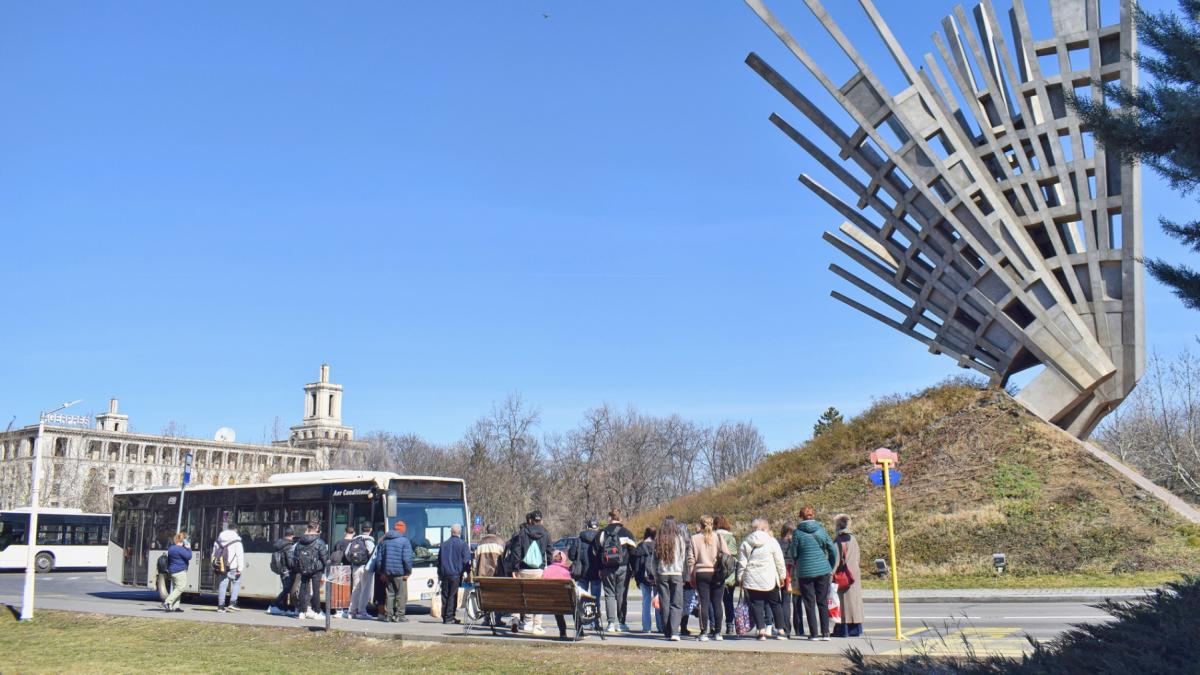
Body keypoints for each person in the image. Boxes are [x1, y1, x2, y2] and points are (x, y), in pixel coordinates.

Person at [789, 506, 838, 641]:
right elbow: (832, 549)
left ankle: (814, 633)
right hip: (823, 570)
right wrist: (830, 565)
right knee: (822, 601)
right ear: (813, 515)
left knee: (809, 602)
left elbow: (793, 552)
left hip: (805, 571)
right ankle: (826, 633)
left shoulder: (797, 533)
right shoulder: (821, 530)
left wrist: (798, 559)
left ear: (801, 516)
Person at [738, 517, 787, 641]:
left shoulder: (746, 542)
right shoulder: (772, 541)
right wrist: (782, 576)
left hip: (752, 578)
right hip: (770, 578)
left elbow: (742, 563)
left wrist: (740, 578)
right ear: (764, 528)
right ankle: (780, 630)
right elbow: (779, 561)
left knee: (757, 604)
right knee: (775, 603)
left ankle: (761, 631)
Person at [506, 510, 552, 635]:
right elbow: (549, 552)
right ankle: (537, 625)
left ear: (530, 520)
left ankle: (527, 622)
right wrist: (548, 567)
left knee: (523, 595)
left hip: (523, 569)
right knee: (537, 596)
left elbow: (516, 552)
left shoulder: (522, 533)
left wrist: (514, 569)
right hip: (539, 570)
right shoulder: (546, 533)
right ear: (541, 520)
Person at [685, 515, 730, 641]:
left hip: (701, 573)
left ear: (700, 524)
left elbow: (690, 559)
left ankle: (703, 632)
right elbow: (728, 554)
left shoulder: (694, 538)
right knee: (717, 603)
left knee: (703, 603)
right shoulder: (719, 537)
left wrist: (691, 574)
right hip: (716, 573)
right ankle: (718, 633)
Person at [598, 509, 636, 633]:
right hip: (623, 567)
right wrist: (633, 569)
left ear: (610, 518)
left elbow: (596, 551)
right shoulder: (627, 533)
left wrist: (600, 568)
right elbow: (633, 553)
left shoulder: (603, 533)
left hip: (607, 568)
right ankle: (622, 623)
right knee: (621, 595)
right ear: (620, 518)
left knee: (609, 594)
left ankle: (610, 624)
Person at [652, 516, 687, 641]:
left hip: (662, 574)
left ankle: (667, 631)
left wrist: (655, 575)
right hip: (676, 573)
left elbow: (654, 560)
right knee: (676, 604)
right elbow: (683, 557)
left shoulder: (659, 539)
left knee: (664, 603)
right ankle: (674, 632)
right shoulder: (680, 539)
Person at [831, 514, 864, 637]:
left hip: (843, 575)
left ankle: (843, 630)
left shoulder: (839, 540)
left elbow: (835, 560)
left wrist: (830, 574)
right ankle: (856, 629)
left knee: (843, 603)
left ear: (839, 525)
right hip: (854, 573)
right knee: (855, 603)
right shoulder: (853, 539)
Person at [377, 520, 414, 622]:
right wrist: (408, 572)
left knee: (390, 594)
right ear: (402, 530)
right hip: (400, 573)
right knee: (401, 595)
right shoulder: (404, 541)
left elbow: (379, 559)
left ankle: (388, 616)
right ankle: (400, 616)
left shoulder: (384, 541)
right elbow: (407, 559)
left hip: (387, 573)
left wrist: (382, 572)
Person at [294, 519, 330, 620]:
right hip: (316, 569)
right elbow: (324, 557)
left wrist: (299, 568)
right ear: (317, 528)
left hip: (303, 569)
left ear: (308, 528)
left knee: (303, 589)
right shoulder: (319, 542)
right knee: (315, 590)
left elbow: (295, 556)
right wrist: (327, 566)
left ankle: (302, 612)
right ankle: (317, 611)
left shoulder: (300, 541)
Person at [472, 523, 506, 627]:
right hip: (496, 575)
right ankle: (497, 619)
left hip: (482, 576)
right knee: (497, 597)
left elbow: (474, 561)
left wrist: (474, 573)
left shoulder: (480, 543)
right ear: (495, 532)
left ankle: (486, 619)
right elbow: (504, 560)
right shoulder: (500, 542)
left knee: (485, 598)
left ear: (487, 531)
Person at [437, 523, 471, 624]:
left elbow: (439, 561)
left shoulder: (444, 544)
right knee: (452, 595)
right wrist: (468, 573)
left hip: (445, 574)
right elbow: (466, 561)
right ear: (459, 532)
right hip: (456, 574)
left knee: (445, 595)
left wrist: (439, 574)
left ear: (451, 532)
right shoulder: (462, 544)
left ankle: (445, 616)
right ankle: (449, 617)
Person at [630, 526, 661, 634]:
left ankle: (647, 627)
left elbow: (636, 565)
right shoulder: (658, 546)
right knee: (658, 601)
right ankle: (660, 626)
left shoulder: (640, 546)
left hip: (644, 577)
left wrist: (638, 580)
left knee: (646, 602)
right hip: (657, 577)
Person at [539, 549, 574, 640]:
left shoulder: (547, 570)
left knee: (557, 606)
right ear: (564, 559)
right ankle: (579, 631)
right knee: (576, 606)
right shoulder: (566, 572)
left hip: (550, 602)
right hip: (565, 602)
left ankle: (562, 631)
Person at [211, 522, 244, 613]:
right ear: (236, 530)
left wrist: (214, 564)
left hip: (221, 565)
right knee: (236, 582)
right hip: (233, 566)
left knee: (222, 584)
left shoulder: (219, 539)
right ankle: (233, 603)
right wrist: (240, 569)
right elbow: (240, 556)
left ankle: (220, 606)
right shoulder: (237, 541)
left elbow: (214, 553)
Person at [346, 523, 376, 619]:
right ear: (370, 529)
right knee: (365, 589)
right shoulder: (369, 540)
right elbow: (373, 553)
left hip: (355, 567)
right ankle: (362, 611)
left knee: (356, 589)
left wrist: (353, 562)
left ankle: (351, 611)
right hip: (366, 567)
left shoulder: (354, 540)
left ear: (361, 529)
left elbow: (347, 553)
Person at [714, 516, 738, 635]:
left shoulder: (712, 536)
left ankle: (714, 625)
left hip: (715, 573)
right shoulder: (731, 538)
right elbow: (734, 555)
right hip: (729, 575)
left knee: (715, 601)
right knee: (728, 601)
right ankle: (730, 625)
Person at [570, 519, 603, 604]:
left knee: (582, 598)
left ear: (587, 527)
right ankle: (595, 616)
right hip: (597, 572)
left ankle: (583, 615)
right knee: (595, 599)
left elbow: (571, 556)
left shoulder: (579, 539)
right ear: (598, 528)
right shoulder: (601, 539)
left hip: (582, 572)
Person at [267, 526, 297, 616]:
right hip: (287, 570)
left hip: (281, 570)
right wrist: (294, 566)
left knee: (285, 589)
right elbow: (289, 560)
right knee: (287, 589)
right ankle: (274, 604)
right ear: (291, 536)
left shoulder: (279, 543)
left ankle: (284, 608)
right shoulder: (288, 546)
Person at [162, 531, 191, 612]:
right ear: (183, 541)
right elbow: (189, 556)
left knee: (176, 588)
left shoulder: (171, 548)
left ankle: (175, 606)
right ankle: (168, 602)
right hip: (180, 571)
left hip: (173, 571)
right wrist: (188, 548)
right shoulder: (180, 549)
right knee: (180, 588)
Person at [776, 521, 796, 638]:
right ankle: (786, 628)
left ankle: (780, 627)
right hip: (790, 573)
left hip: (778, 572)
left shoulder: (777, 542)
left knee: (777, 602)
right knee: (786, 602)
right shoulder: (793, 543)